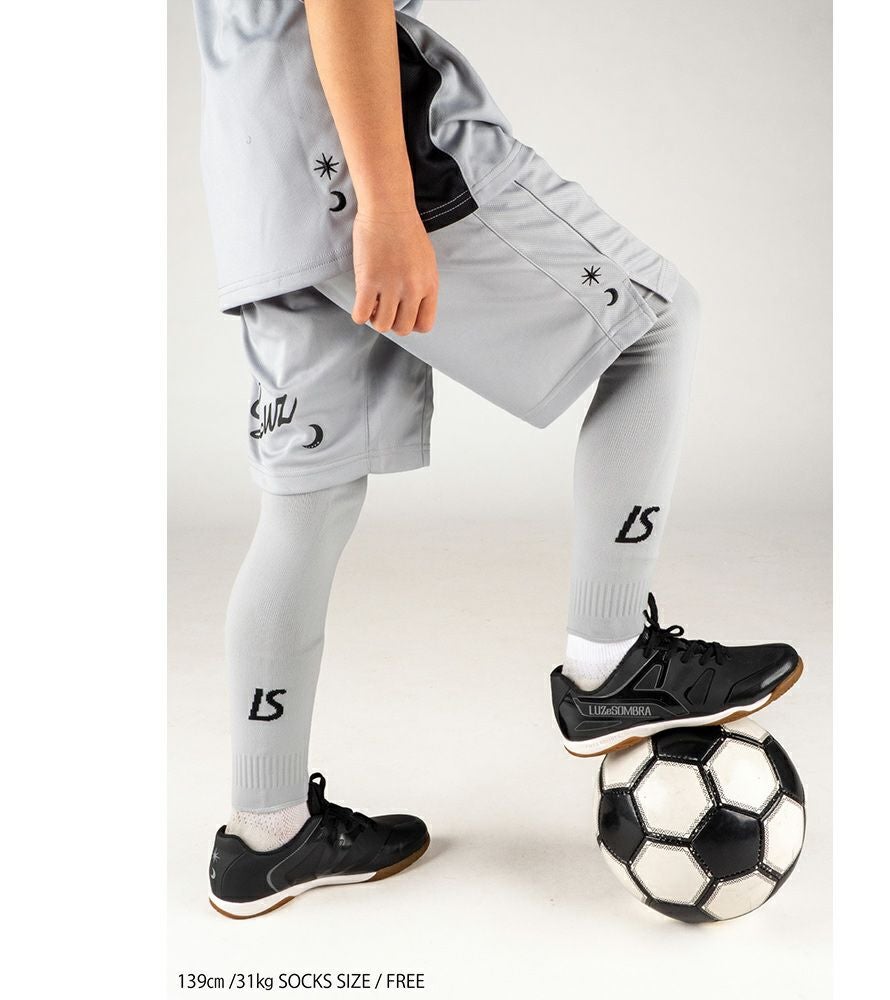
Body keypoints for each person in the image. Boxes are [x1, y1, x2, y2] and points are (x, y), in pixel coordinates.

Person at [193, 0, 803, 919]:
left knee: (306, 501)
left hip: (257, 172)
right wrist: (387, 203)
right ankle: (612, 664)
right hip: (355, 148)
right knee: (656, 322)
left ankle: (265, 834)